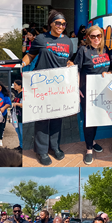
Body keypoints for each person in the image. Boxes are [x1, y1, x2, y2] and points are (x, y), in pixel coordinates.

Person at [22, 10, 74, 166]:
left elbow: (68, 60)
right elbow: (30, 55)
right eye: (58, 23)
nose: (61, 26)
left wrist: (70, 64)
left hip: (60, 86)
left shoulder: (68, 42)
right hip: (42, 84)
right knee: (43, 118)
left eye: (63, 24)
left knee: (58, 117)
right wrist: (22, 64)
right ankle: (42, 150)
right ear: (51, 23)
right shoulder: (41, 38)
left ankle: (55, 146)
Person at [75, 26, 110, 165]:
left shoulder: (105, 49)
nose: (96, 39)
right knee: (89, 120)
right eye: (93, 36)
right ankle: (89, 148)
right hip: (87, 91)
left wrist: (107, 73)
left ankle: (92, 140)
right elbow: (76, 70)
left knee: (96, 119)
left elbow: (110, 67)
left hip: (102, 91)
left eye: (99, 36)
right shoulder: (83, 50)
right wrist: (76, 89)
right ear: (88, 37)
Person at [12, 80, 23, 151]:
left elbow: (23, 105)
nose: (14, 86)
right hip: (16, 116)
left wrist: (16, 104)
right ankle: (21, 145)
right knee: (18, 131)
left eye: (15, 85)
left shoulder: (23, 94)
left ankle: (24, 147)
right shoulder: (17, 93)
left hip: (21, 116)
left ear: (20, 86)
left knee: (22, 132)